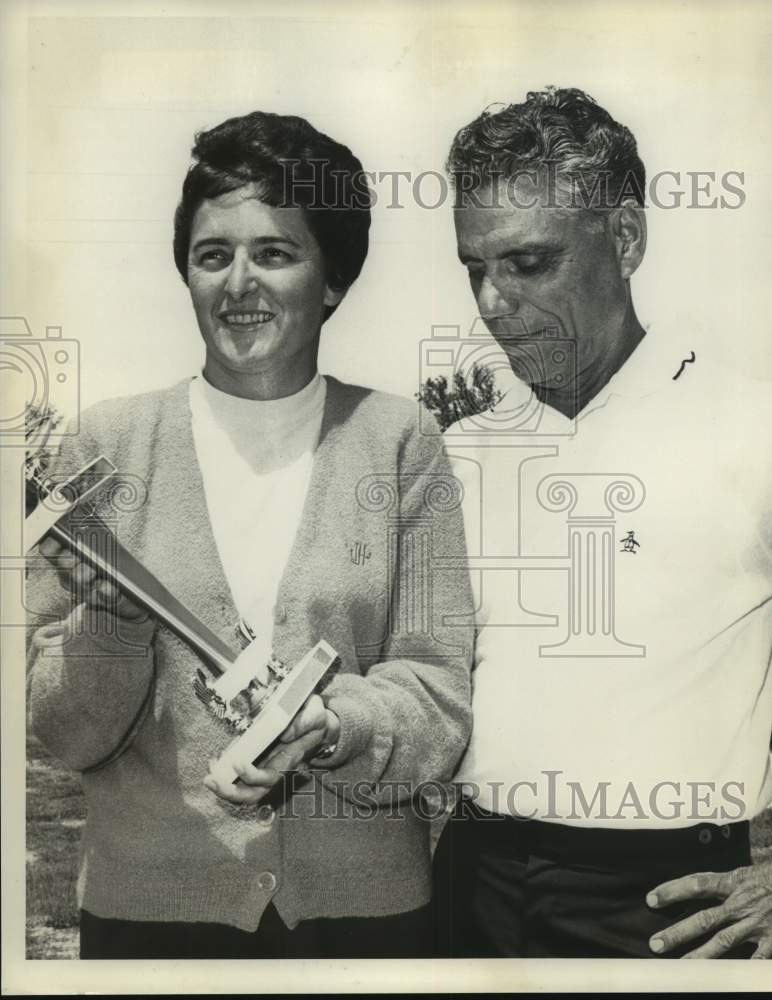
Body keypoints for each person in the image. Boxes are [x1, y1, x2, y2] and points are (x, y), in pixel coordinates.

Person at [25, 111, 473, 960]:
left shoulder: (400, 440)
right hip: (150, 917)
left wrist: (333, 727)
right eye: (212, 254)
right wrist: (112, 625)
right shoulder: (106, 451)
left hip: (364, 920)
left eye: (274, 252)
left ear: (332, 277)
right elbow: (66, 734)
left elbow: (438, 695)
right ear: (186, 274)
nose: (239, 284)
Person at [432, 86, 772, 959]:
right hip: (471, 886)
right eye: (476, 266)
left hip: (664, 905)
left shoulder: (760, 429)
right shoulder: (459, 455)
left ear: (623, 239)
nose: (493, 300)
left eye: (529, 263)